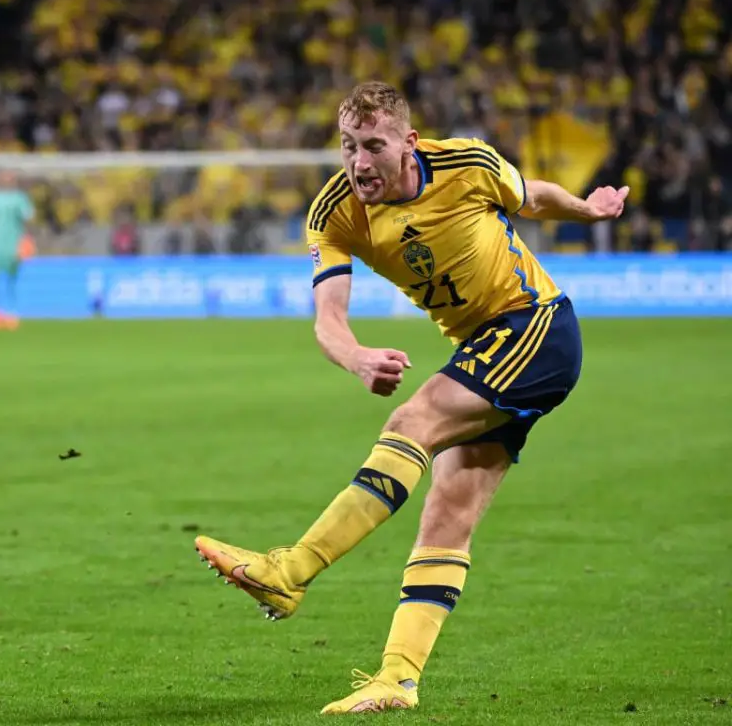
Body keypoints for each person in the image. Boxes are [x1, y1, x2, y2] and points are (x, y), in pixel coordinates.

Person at [194, 82, 626, 715]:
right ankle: (397, 678)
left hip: (535, 326)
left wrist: (588, 210)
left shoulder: (467, 164)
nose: (359, 162)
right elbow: (327, 320)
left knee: (414, 420)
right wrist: (356, 356)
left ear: (408, 143)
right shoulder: (334, 211)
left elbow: (533, 198)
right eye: (348, 147)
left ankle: (290, 573)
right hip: (480, 346)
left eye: (373, 146)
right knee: (448, 513)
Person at [0, 169, 34, 330]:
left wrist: (26, 241)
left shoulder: (20, 199)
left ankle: (12, 313)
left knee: (12, 279)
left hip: (13, 243)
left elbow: (28, 220)